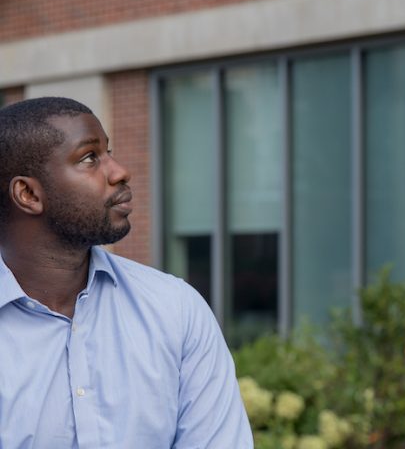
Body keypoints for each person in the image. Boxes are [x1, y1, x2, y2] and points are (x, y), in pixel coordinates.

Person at [0, 97, 253, 448]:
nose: (119, 172)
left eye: (109, 152)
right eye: (90, 158)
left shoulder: (175, 309)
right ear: (28, 194)